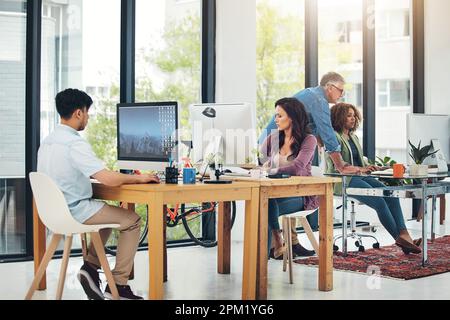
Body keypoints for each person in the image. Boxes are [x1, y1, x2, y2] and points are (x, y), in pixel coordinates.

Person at [37, 88, 160, 300]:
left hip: (54, 214)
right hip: (75, 212)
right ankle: (119, 286)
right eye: (87, 113)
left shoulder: (47, 142)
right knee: (132, 220)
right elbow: (109, 179)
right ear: (78, 113)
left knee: (105, 213)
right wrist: (140, 178)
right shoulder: (74, 142)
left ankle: (91, 268)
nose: (88, 117)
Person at [326, 102, 421, 254]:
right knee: (380, 201)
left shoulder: (353, 137)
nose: (353, 119)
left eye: (354, 115)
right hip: (344, 179)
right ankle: (400, 239)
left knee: (391, 195)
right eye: (349, 115)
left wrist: (379, 167)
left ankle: (405, 236)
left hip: (360, 176)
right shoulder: (333, 137)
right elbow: (341, 166)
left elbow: (361, 162)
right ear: (339, 117)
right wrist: (361, 169)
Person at [259, 72, 368, 175]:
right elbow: (327, 132)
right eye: (340, 91)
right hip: (274, 143)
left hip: (270, 143)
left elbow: (315, 129)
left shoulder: (309, 93)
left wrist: (322, 147)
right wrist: (341, 166)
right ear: (330, 88)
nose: (342, 94)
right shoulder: (319, 100)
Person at [260, 98, 319, 259]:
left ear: (292, 117)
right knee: (264, 200)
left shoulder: (309, 140)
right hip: (275, 192)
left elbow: (297, 167)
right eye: (275, 115)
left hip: (300, 195)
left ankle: (269, 251)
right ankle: (275, 243)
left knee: (265, 203)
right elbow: (259, 159)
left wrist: (271, 169)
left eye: (279, 116)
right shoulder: (273, 138)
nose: (275, 120)